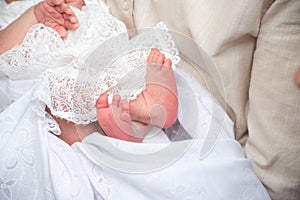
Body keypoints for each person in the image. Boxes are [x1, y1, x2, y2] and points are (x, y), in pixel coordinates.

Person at [0, 0, 178, 144]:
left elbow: (107, 21)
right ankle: (131, 130)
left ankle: (144, 106)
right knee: (52, 104)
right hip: (56, 70)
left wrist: (81, 5)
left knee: (132, 65)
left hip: (99, 56)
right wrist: (34, 15)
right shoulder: (9, 13)